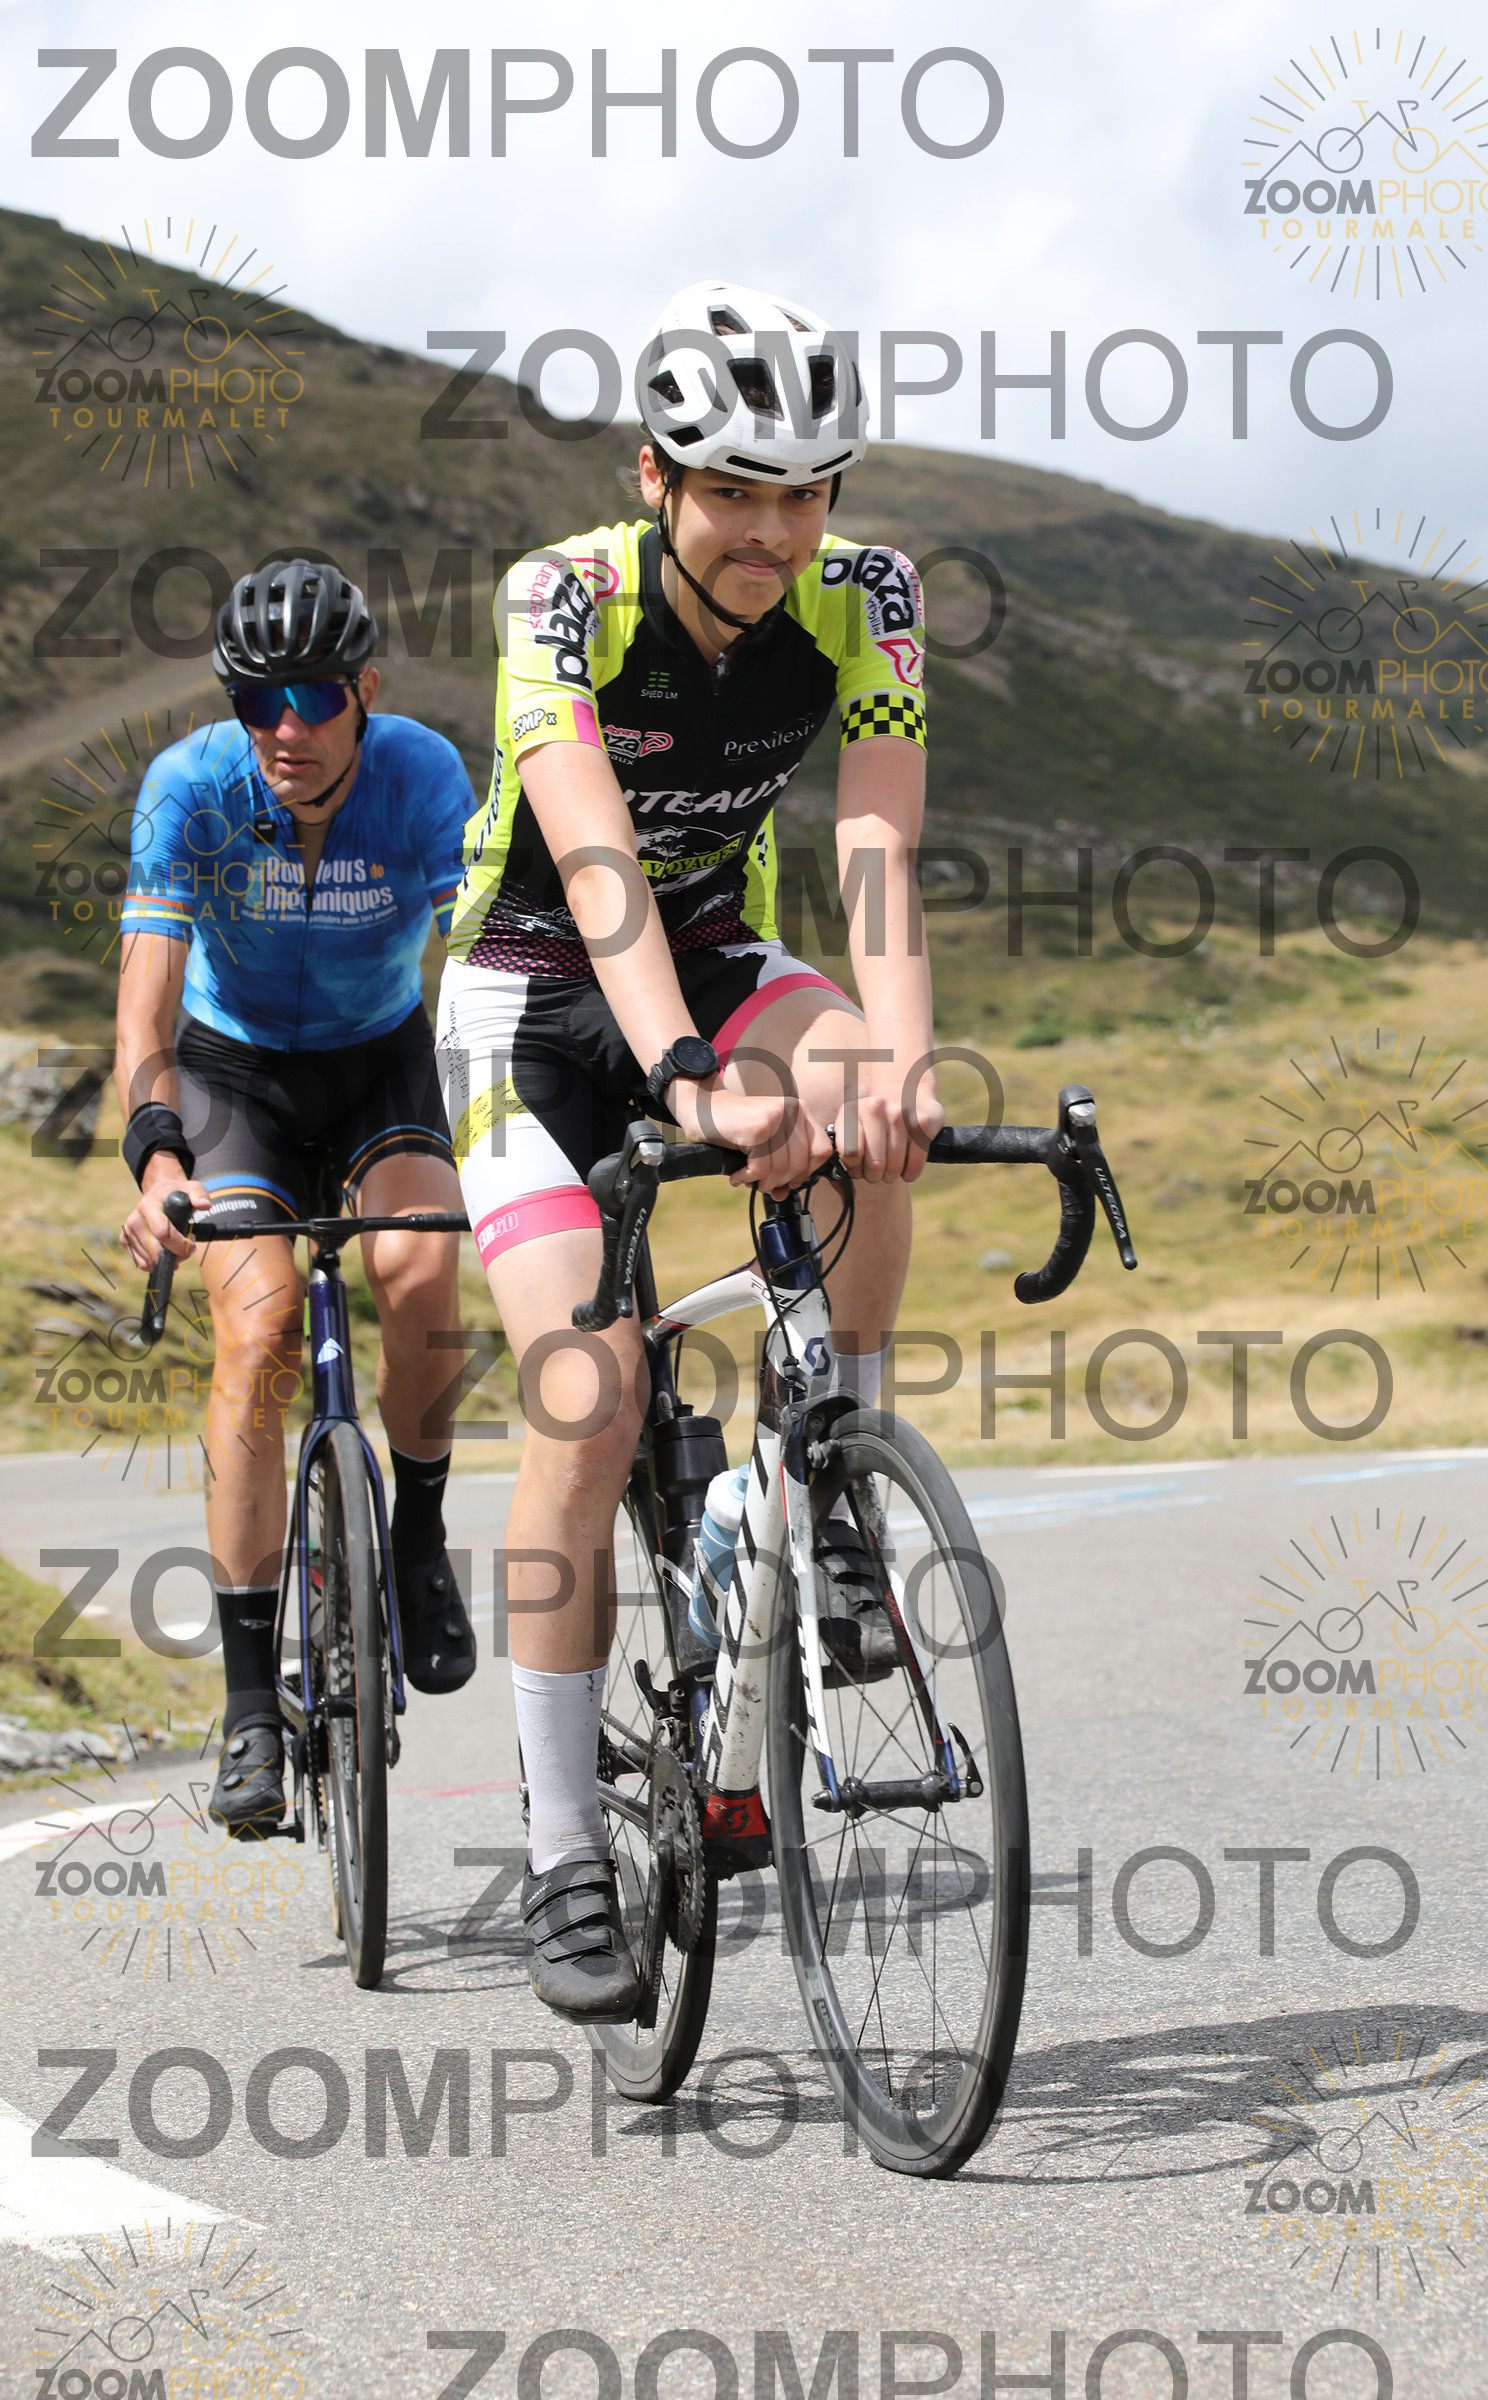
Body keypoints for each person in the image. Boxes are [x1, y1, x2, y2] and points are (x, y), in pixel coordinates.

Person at [438, 280, 940, 2020]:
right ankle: (565, 1846)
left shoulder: (872, 597)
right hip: (530, 991)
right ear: (655, 477)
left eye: (803, 494)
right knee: (591, 1395)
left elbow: (875, 847)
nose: (771, 533)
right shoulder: (559, 598)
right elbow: (590, 861)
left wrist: (900, 1056)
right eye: (733, 490)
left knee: (866, 1106)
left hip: (720, 950)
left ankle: (840, 1475)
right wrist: (682, 1079)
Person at [117, 558, 479, 1838]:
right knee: (262, 1328)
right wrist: (158, 1158)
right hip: (235, 1080)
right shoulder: (190, 786)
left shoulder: (423, 774)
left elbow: (480, 960)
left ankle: (418, 1539)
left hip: (382, 1061)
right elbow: (145, 1011)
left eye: (315, 695)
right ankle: (248, 1705)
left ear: (364, 689)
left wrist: (514, 1128)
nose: (286, 726)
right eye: (257, 699)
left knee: (422, 1266)